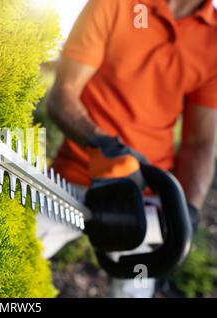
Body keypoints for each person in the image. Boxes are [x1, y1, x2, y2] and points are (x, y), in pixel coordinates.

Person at [48, 0, 217, 297]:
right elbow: (63, 96)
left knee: (135, 288)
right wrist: (107, 146)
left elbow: (199, 142)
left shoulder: (213, 40)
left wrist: (187, 209)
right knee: (5, 252)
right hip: (74, 176)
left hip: (146, 195)